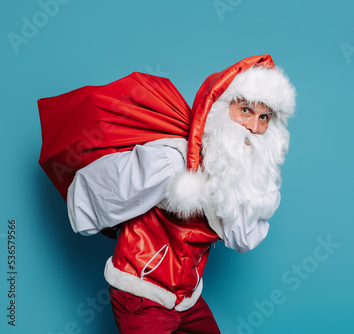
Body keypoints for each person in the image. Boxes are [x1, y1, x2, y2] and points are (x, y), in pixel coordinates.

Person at [65, 55, 296, 333]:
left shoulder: (232, 175)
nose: (254, 128)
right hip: (142, 294)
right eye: (245, 110)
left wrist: (252, 185)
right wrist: (95, 219)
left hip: (186, 299)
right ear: (220, 109)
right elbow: (97, 190)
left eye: (264, 117)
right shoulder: (170, 160)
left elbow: (242, 239)